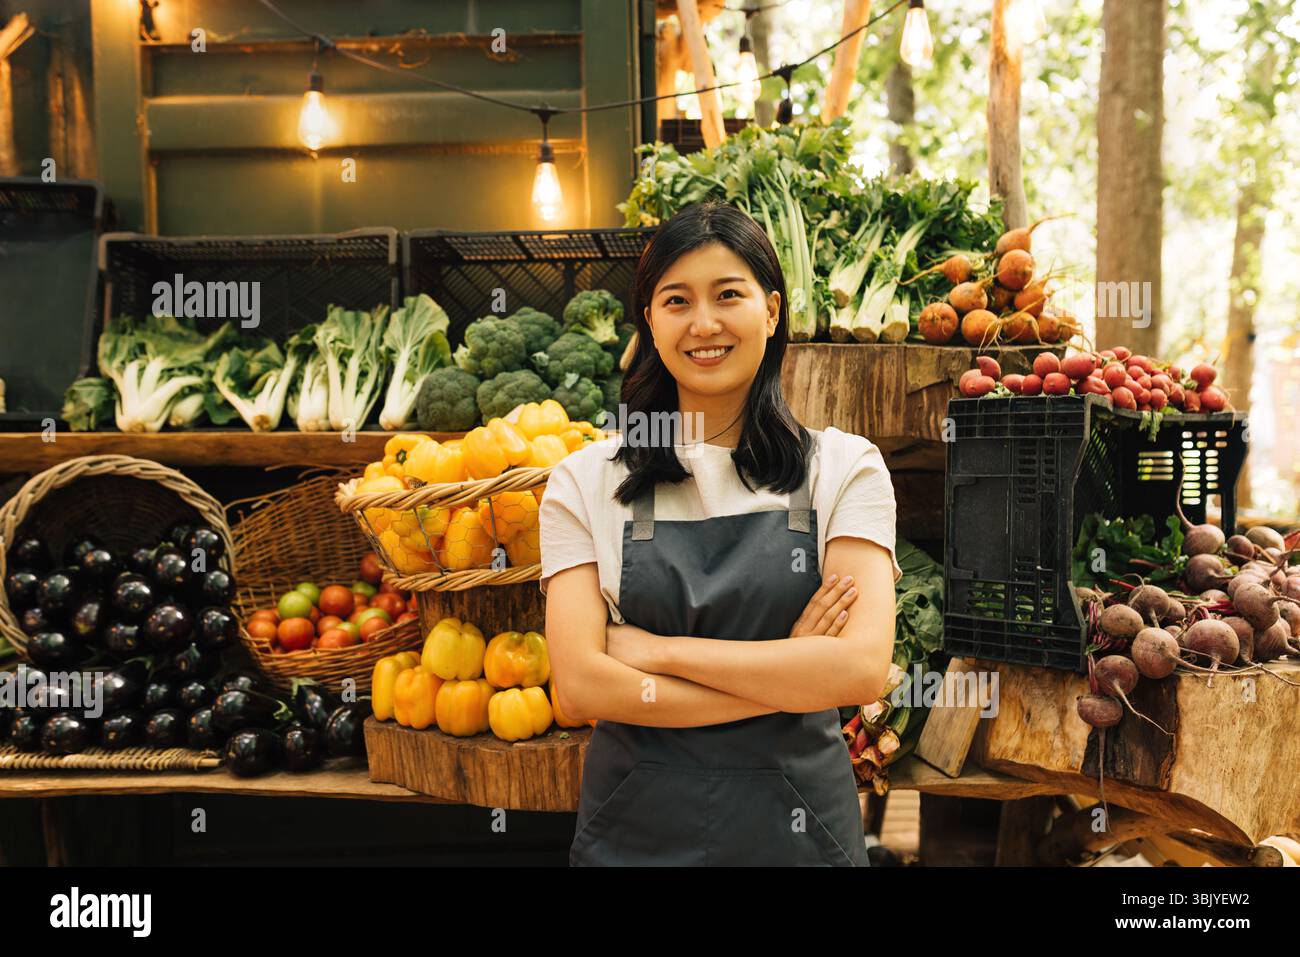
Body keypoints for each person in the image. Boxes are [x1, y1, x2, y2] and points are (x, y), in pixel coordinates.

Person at [538, 201, 900, 866]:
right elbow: (582, 686)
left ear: (770, 309)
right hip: (635, 837)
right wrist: (787, 671)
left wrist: (656, 651)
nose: (703, 323)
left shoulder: (845, 469)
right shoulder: (581, 482)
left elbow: (858, 667)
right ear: (649, 320)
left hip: (800, 840)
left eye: (727, 294)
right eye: (676, 300)